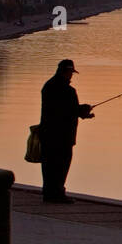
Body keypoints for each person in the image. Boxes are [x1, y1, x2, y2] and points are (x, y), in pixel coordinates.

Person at [40, 59, 94, 202]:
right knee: (61, 165)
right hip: (62, 136)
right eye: (71, 73)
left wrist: (82, 112)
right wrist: (84, 110)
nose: (71, 76)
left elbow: (63, 109)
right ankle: (57, 194)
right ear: (67, 72)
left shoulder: (48, 86)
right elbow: (70, 110)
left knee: (49, 165)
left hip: (47, 133)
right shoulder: (68, 91)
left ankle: (48, 193)